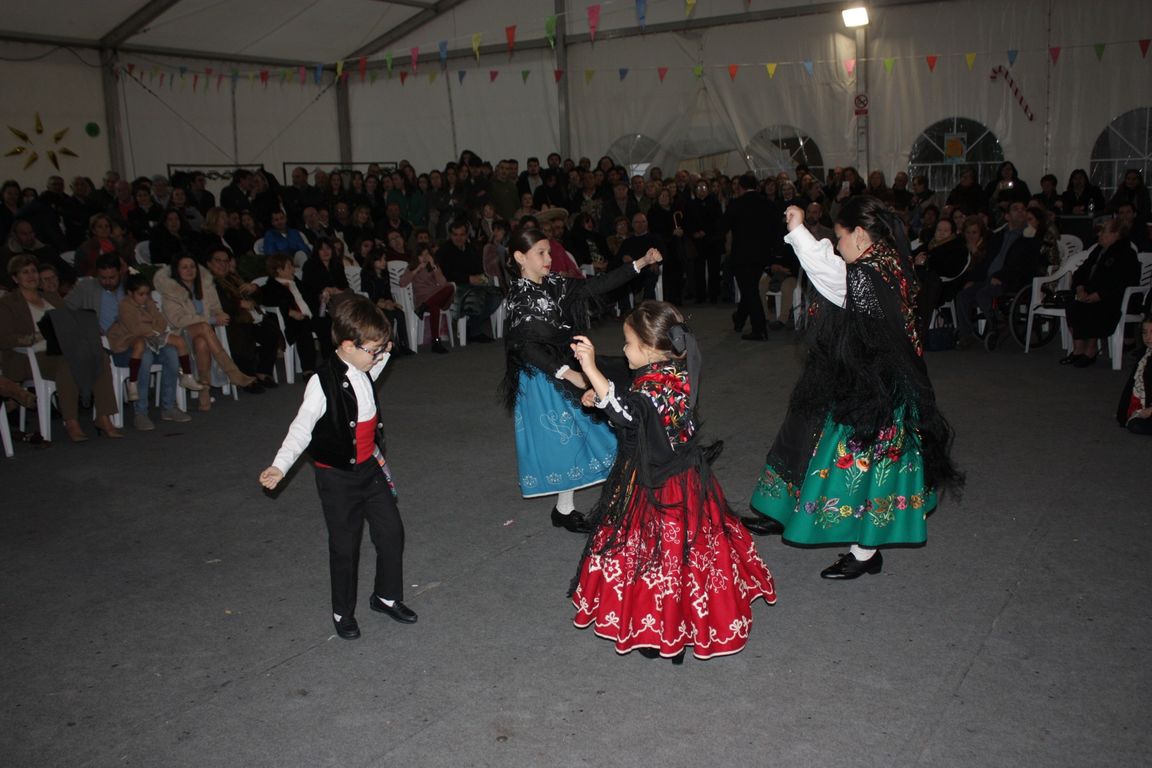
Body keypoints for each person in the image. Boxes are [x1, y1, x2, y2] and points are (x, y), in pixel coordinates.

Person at [744, 199, 963, 578]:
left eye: (840, 236)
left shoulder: (871, 273)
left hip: (877, 384)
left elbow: (831, 276)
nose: (838, 244)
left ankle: (866, 551)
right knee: (803, 429)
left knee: (860, 461)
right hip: (854, 370)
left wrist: (798, 232)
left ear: (860, 234)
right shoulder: (883, 260)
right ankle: (784, 508)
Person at [569, 301, 776, 660]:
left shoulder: (651, 388)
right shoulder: (677, 367)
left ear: (650, 350)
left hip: (656, 483)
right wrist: (598, 394)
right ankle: (678, 625)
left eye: (629, 344)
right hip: (688, 476)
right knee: (686, 555)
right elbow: (630, 401)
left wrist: (590, 370)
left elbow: (627, 414)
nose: (624, 350)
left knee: (655, 555)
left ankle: (662, 630)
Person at [259, 296, 416, 640]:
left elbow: (375, 364)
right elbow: (301, 429)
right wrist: (280, 466)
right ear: (347, 344)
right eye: (371, 350)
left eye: (378, 350)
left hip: (370, 468)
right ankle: (342, 611)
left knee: (391, 532)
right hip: (338, 478)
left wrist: (383, 349)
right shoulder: (321, 383)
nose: (376, 356)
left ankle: (386, 597)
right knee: (345, 546)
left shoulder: (364, 366)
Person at [500, 229, 663, 533]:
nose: (549, 259)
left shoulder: (555, 284)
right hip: (545, 375)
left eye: (549, 252)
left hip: (569, 362)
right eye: (541, 253)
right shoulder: (518, 299)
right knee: (575, 436)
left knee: (614, 405)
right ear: (520, 258)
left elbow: (597, 285)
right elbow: (525, 347)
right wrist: (570, 373)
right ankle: (567, 509)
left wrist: (640, 262)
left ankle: (661, 454)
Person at [0, 255, 122, 441]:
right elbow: (5, 338)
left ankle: (103, 416)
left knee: (99, 355)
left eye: (33, 271)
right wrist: (35, 336)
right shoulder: (8, 303)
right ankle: (71, 421)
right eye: (25, 272)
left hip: (63, 351)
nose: (31, 276)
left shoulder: (51, 298)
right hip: (31, 356)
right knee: (69, 360)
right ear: (15, 278)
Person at [153, 254, 257, 410]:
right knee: (203, 326)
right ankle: (232, 371)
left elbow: (216, 308)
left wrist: (219, 314)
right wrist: (210, 320)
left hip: (204, 337)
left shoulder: (206, 286)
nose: (189, 270)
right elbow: (177, 320)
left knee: (202, 342)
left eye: (192, 266)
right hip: (181, 336)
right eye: (185, 267)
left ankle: (204, 392)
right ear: (177, 270)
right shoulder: (171, 290)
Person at [106, 273, 198, 430]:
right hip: (126, 350)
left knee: (171, 353)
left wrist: (150, 325)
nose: (145, 297)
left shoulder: (149, 303)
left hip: (150, 343)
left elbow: (162, 323)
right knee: (146, 357)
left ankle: (169, 406)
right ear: (130, 293)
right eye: (140, 294)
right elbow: (136, 329)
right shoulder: (125, 306)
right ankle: (140, 412)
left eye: (147, 294)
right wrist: (152, 327)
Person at [1061, 218, 1141, 368]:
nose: (1100, 234)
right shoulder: (1098, 250)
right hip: (1088, 294)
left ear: (1116, 234)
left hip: (1112, 298)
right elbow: (1081, 272)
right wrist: (1080, 288)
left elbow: (1123, 281)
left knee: (1094, 309)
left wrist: (1100, 295)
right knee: (1072, 305)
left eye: (1104, 231)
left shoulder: (1126, 254)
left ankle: (1090, 350)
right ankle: (1078, 349)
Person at [725, 173, 776, 340]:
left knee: (750, 291)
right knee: (750, 289)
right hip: (761, 255)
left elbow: (723, 225)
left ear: (741, 186)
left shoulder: (736, 204)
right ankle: (739, 319)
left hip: (742, 255)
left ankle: (759, 329)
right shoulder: (767, 204)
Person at [398, 244, 454, 353]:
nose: (425, 258)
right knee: (435, 307)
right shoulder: (411, 267)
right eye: (421, 255)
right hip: (422, 298)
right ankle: (436, 342)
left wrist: (433, 265)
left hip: (435, 295)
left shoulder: (433, 267)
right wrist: (417, 269)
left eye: (427, 254)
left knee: (450, 287)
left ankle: (424, 307)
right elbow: (402, 283)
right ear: (416, 257)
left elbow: (443, 283)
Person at [1116, 316, 1152, 435]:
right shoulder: (1144, 354)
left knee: (1136, 425)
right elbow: (1132, 385)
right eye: (1144, 333)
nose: (1148, 337)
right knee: (1134, 423)